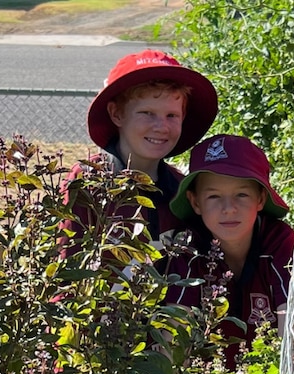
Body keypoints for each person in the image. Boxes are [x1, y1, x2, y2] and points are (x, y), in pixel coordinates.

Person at [61, 49, 218, 259]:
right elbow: (65, 270)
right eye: (147, 113)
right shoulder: (88, 184)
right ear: (117, 114)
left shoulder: (182, 193)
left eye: (172, 115)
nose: (161, 127)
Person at [162, 134, 294, 369]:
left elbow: (291, 322)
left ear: (261, 199)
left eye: (241, 195)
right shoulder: (188, 248)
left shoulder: (280, 242)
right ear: (195, 202)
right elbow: (174, 330)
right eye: (213, 196)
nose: (229, 209)